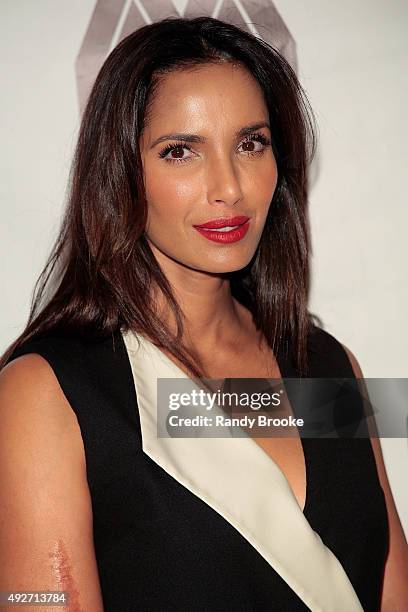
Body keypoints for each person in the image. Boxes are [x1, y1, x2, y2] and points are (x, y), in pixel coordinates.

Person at [0, 16, 407, 612]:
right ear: (120, 173)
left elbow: (390, 579)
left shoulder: (327, 364)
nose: (229, 187)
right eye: (181, 151)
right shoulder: (46, 393)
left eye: (251, 143)